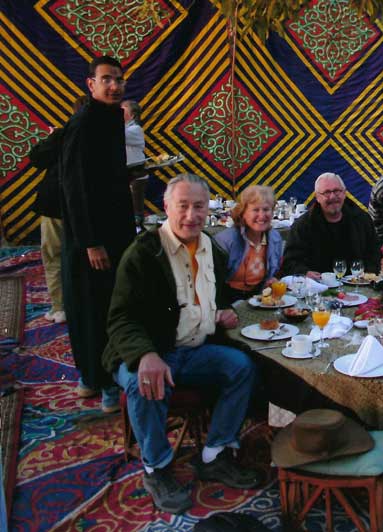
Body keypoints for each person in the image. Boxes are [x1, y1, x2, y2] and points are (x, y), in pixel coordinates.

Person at [103, 174, 260, 514]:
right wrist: (145, 354)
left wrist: (221, 312)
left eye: (199, 207)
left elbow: (210, 296)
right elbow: (120, 318)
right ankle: (157, 468)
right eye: (183, 206)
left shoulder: (211, 249)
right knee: (146, 382)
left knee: (242, 368)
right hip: (150, 351)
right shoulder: (144, 253)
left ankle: (215, 452)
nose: (192, 215)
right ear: (166, 207)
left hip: (193, 349)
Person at [59, 56, 136, 411]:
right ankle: (100, 381)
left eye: (118, 79)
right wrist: (90, 242)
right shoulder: (84, 122)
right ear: (90, 84)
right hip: (92, 239)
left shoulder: (110, 119)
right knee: (93, 308)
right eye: (106, 79)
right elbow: (74, 188)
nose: (114, 86)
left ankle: (94, 377)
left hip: (113, 232)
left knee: (109, 303)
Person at [28, 96, 88, 324]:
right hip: (85, 205)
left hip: (57, 204)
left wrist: (53, 138)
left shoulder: (64, 134)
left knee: (54, 254)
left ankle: (60, 307)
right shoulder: (105, 137)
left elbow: (37, 158)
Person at [282, 172, 380, 278]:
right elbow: (291, 262)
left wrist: (369, 275)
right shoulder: (302, 226)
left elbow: (374, 254)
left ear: (344, 193)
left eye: (337, 191)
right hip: (318, 286)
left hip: (357, 284)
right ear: (317, 197)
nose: (333, 197)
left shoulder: (362, 219)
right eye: (327, 193)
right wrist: (305, 273)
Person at [214, 185, 283, 300]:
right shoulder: (226, 240)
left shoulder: (275, 238)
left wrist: (271, 280)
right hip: (226, 299)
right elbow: (212, 281)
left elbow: (272, 273)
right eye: (255, 210)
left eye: (266, 209)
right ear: (243, 213)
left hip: (259, 298)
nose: (261, 215)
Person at [121, 100, 149, 228]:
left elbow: (120, 135)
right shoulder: (124, 128)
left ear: (132, 115)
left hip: (136, 174)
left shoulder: (135, 129)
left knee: (136, 210)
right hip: (126, 173)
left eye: (123, 109)